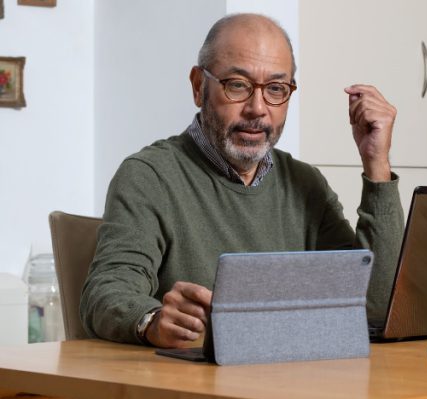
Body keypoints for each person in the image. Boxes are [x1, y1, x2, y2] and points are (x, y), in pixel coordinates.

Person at [80, 13, 404, 348]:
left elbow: (373, 308)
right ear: (198, 86)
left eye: (276, 89)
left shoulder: (307, 184)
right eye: (238, 85)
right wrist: (152, 320)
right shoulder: (149, 176)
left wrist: (376, 162)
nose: (257, 108)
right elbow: (107, 290)